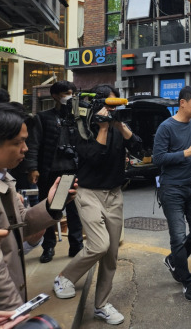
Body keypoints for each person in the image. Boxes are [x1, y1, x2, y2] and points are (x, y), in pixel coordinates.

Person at [53, 85, 142, 325]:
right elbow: (92, 156)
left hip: (114, 194)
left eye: (116, 105)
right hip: (88, 193)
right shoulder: (83, 127)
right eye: (109, 105)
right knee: (99, 245)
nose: (113, 110)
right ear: (97, 106)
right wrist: (103, 127)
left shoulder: (118, 126)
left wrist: (119, 124)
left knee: (111, 253)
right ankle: (64, 277)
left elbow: (138, 148)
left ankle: (101, 305)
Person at [0, 102, 67, 310]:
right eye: (19, 142)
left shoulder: (3, 176)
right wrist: (14, 313)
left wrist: (53, 204)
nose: (26, 148)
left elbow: (22, 223)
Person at [20, 81, 84, 263]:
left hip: (72, 170)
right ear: (55, 95)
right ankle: (48, 247)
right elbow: (34, 145)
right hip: (51, 171)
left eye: (72, 92)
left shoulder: (77, 117)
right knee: (50, 210)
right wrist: (33, 168)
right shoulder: (43, 117)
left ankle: (76, 246)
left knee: (74, 211)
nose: (69, 96)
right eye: (66, 93)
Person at [152, 86, 191, 302]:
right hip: (171, 189)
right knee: (178, 236)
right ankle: (187, 281)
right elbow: (158, 159)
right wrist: (186, 153)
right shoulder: (166, 127)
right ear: (182, 103)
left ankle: (174, 260)